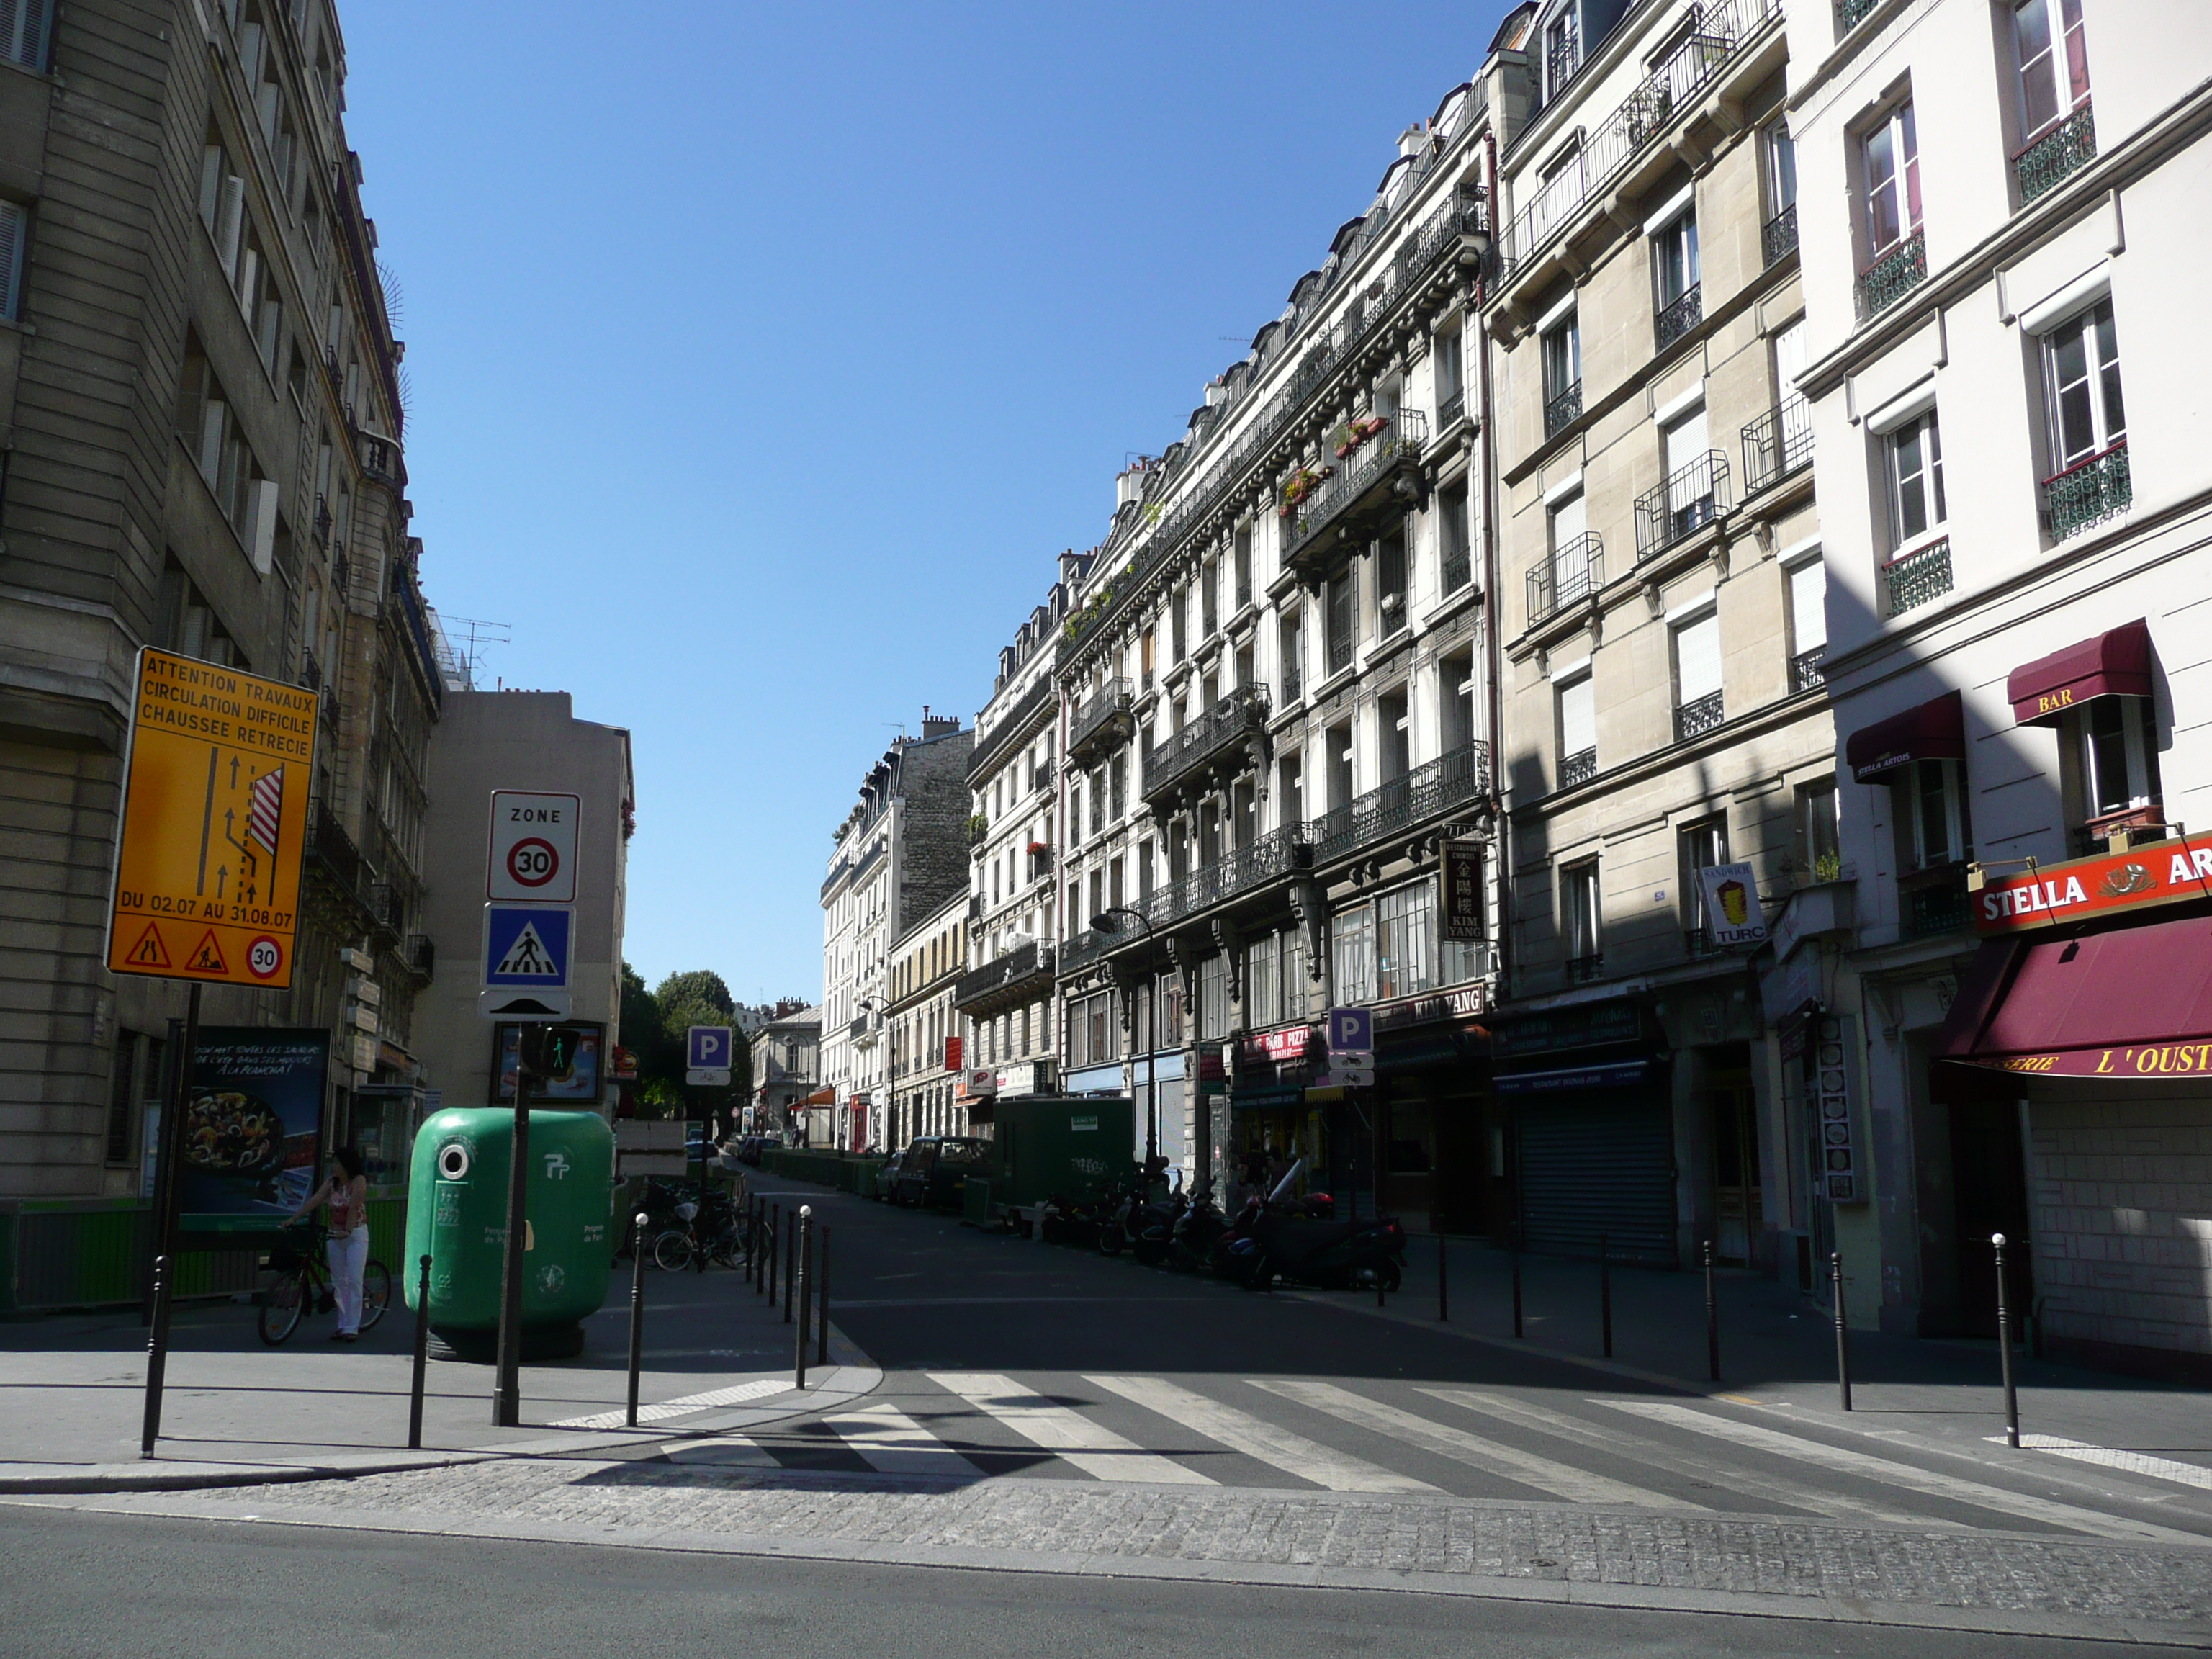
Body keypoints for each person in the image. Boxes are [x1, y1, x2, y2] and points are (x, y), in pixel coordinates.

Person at [292, 1146, 369, 1342]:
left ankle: (352, 1327)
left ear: (346, 1165)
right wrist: (293, 1219)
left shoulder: (358, 1181)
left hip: (355, 1235)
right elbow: (315, 1200)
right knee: (338, 1281)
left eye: (336, 1163)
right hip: (334, 1235)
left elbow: (354, 1207)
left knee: (353, 1280)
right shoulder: (331, 1184)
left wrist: (349, 1230)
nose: (333, 1167)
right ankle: (342, 1325)